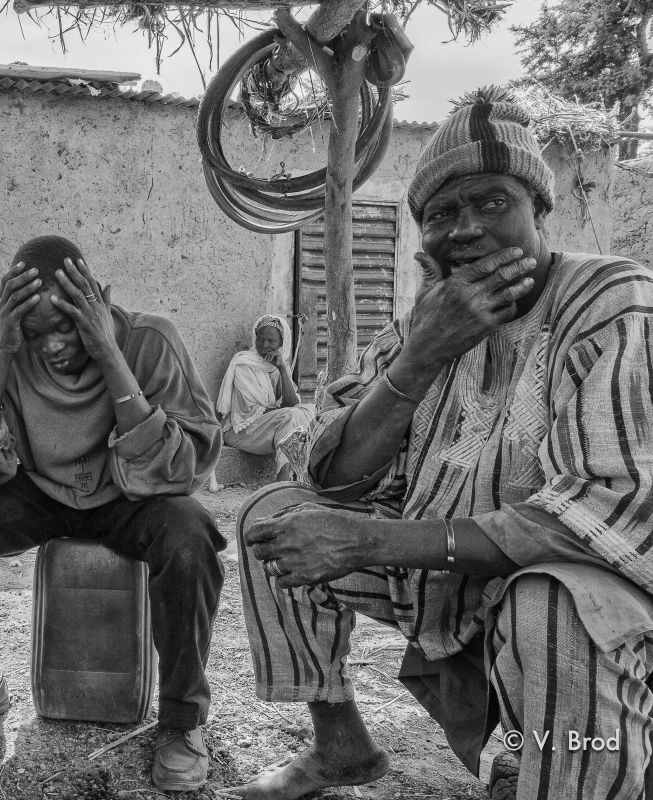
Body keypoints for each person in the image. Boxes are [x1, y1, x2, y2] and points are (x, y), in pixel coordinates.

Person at [226, 89, 653, 800]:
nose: (466, 229)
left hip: (600, 596)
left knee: (552, 606)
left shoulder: (611, 300)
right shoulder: (423, 322)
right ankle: (340, 748)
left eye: (492, 204)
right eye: (441, 214)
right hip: (447, 581)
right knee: (275, 516)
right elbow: (334, 476)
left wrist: (367, 544)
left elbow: (600, 512)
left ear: (540, 211)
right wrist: (419, 357)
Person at [0, 235, 225, 792]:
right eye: (35, 333)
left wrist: (107, 351)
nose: (53, 345)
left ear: (99, 301)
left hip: (130, 497)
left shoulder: (151, 340)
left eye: (68, 325)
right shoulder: (0, 354)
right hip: (40, 496)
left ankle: (181, 721)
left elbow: (186, 468)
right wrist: (3, 352)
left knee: (190, 533)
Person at [209, 314, 313, 490]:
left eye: (271, 341)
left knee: (309, 410)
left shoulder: (281, 365)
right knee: (293, 415)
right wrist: (282, 412)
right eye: (260, 339)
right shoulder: (243, 363)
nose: (264, 345)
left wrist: (281, 369)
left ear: (282, 343)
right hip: (240, 433)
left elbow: (291, 403)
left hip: (269, 433)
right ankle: (282, 480)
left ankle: (296, 477)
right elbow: (249, 412)